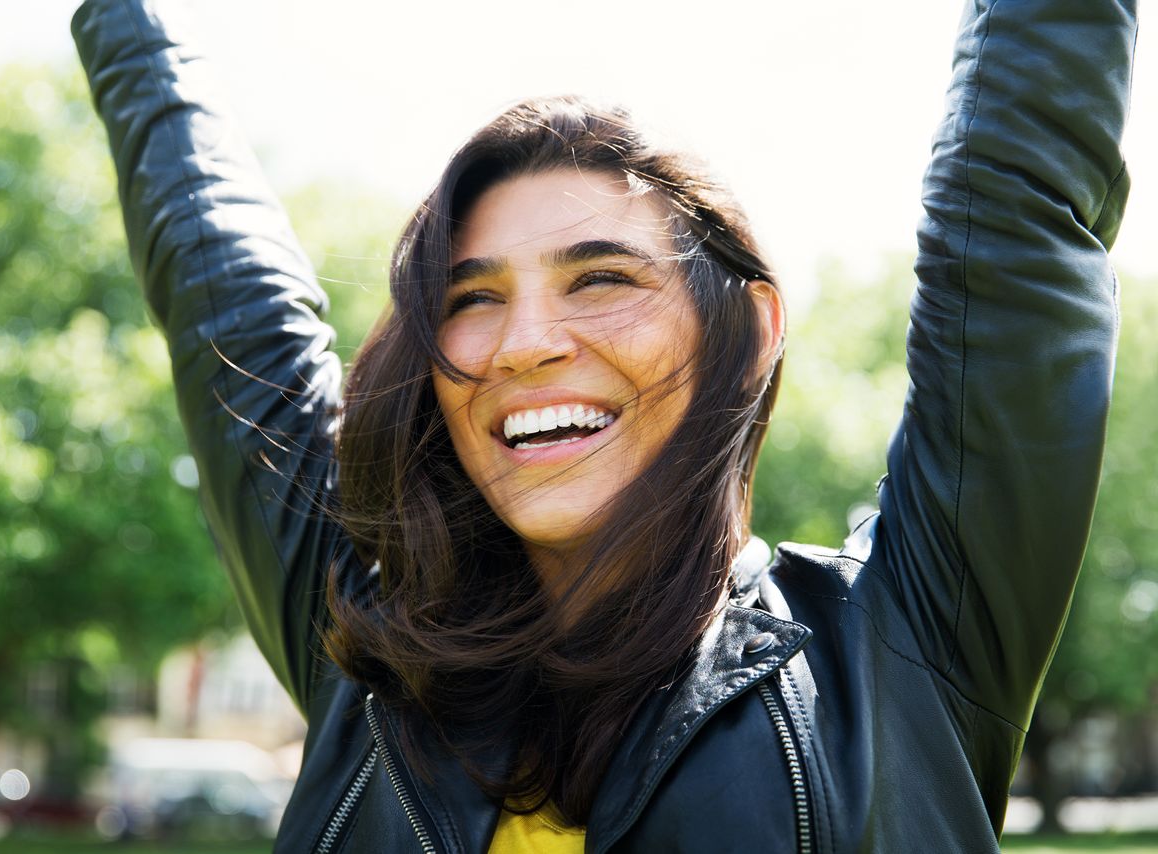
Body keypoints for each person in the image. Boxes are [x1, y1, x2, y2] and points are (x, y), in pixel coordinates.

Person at [72, 0, 1137, 850]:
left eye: (600, 278)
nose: (524, 341)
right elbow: (217, 275)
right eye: (472, 295)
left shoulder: (904, 643)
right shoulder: (365, 653)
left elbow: (1013, 214)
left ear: (753, 327)